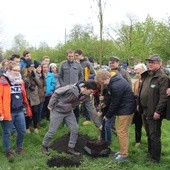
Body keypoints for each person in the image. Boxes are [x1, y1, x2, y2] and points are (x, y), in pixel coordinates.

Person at [42, 80, 101, 156]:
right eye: (91, 91)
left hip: (69, 112)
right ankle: (45, 145)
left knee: (75, 129)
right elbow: (57, 92)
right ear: (86, 88)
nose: (91, 93)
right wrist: (50, 105)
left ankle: (71, 148)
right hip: (57, 111)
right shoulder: (71, 88)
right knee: (52, 131)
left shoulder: (86, 97)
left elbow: (91, 110)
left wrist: (99, 125)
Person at [95, 69, 136, 161]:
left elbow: (115, 103)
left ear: (104, 78)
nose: (101, 85)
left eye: (101, 82)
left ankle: (124, 155)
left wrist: (107, 116)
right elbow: (110, 96)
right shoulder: (112, 81)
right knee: (122, 131)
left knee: (121, 132)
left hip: (126, 109)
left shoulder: (116, 85)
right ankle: (122, 150)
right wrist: (104, 103)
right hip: (123, 108)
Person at [139, 54, 169, 163]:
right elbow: (142, 90)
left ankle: (155, 158)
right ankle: (150, 153)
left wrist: (158, 111)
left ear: (159, 63)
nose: (150, 64)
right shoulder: (147, 75)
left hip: (154, 111)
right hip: (145, 109)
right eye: (149, 62)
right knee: (148, 133)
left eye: (153, 62)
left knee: (154, 135)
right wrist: (139, 103)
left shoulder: (162, 77)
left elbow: (163, 97)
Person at [0, 61, 32, 160]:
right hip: (8, 111)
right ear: (8, 70)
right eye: (14, 70)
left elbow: (23, 95)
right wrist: (1, 112)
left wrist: (26, 106)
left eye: (18, 70)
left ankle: (19, 147)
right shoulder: (3, 81)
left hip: (19, 111)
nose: (17, 72)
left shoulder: (20, 81)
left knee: (22, 131)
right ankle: (8, 150)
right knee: (7, 132)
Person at [108, 56, 132, 134]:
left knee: (121, 116)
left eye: (113, 63)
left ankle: (121, 130)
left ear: (118, 63)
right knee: (112, 113)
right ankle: (112, 128)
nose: (112, 64)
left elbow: (129, 84)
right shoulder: (108, 72)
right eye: (110, 63)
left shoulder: (124, 72)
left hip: (123, 98)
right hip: (112, 97)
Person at [59, 49, 83, 122]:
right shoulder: (63, 65)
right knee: (65, 105)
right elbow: (59, 76)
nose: (71, 58)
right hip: (65, 89)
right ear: (67, 56)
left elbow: (81, 77)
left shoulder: (78, 65)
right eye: (69, 56)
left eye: (72, 56)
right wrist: (63, 86)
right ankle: (65, 122)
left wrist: (77, 86)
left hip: (75, 89)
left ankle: (76, 121)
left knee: (75, 106)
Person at [132, 63, 147, 147]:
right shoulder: (136, 82)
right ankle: (138, 141)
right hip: (137, 108)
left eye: (138, 73)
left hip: (146, 108)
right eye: (136, 73)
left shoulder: (148, 82)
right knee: (137, 124)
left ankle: (150, 142)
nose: (137, 75)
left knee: (148, 126)